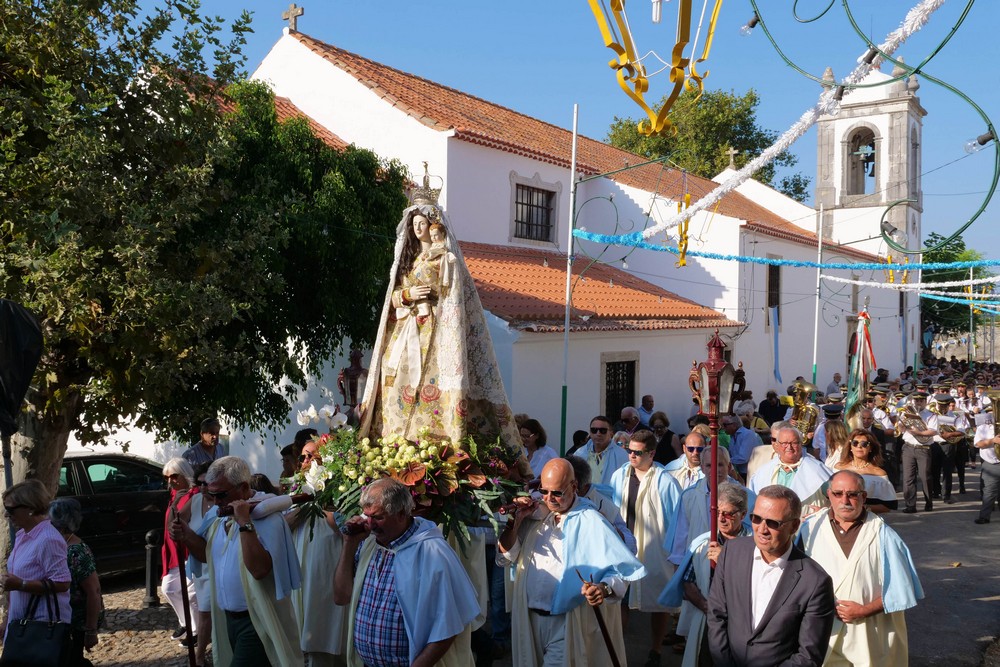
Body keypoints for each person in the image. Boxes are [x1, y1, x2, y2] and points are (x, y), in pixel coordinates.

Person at [358, 188, 522, 456]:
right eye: (414, 224)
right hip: (405, 329)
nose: (419, 228)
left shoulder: (446, 258)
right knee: (395, 383)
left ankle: (432, 444)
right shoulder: (406, 261)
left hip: (435, 330)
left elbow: (453, 296)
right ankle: (393, 442)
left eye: (423, 223)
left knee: (429, 384)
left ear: (437, 229)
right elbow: (393, 297)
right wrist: (406, 295)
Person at [499, 459, 645, 666]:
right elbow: (507, 555)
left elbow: (620, 569)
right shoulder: (534, 514)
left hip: (567, 623)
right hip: (529, 619)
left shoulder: (592, 520)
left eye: (557, 493)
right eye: (544, 491)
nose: (549, 499)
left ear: (574, 487)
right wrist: (515, 522)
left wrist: (602, 588)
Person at [170, 456, 303, 667]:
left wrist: (244, 523)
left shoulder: (269, 518)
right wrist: (185, 534)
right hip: (226, 620)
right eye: (211, 495)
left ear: (242, 488)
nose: (215, 502)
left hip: (257, 621)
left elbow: (259, 570)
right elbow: (207, 557)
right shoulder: (217, 515)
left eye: (221, 495)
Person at [334, 478, 480, 666]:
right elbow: (341, 597)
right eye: (366, 516)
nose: (370, 525)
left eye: (378, 517)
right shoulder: (367, 544)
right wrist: (349, 545)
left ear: (402, 513)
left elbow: (447, 627)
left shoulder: (432, 552)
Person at [798, 471, 923, 665]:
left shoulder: (884, 535)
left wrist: (865, 610)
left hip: (870, 632)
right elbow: (795, 581)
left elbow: (901, 590)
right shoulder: (809, 530)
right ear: (829, 495)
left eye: (852, 494)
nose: (845, 500)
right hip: (823, 632)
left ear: (863, 497)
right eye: (838, 493)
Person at [706, 485, 835, 666]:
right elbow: (716, 614)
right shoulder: (731, 552)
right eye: (756, 519)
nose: (762, 529)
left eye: (773, 523)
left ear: (794, 526)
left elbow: (808, 656)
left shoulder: (815, 582)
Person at [609, 430, 682, 666]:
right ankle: (617, 649)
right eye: (629, 450)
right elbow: (611, 507)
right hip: (623, 546)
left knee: (657, 602)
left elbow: (676, 520)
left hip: (654, 549)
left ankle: (656, 649)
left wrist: (674, 554)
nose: (631, 455)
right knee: (619, 598)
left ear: (651, 453)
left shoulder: (666, 481)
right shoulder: (619, 475)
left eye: (637, 452)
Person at [660, 482, 752, 667]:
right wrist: (706, 607)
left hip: (742, 623)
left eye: (728, 513)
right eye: (717, 512)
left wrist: (725, 560)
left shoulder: (754, 545)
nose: (721, 518)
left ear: (742, 515)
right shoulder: (703, 543)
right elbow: (688, 583)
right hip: (707, 619)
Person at [287, 436, 348, 666]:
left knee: (325, 631)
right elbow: (285, 525)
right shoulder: (298, 493)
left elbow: (344, 530)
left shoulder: (338, 493)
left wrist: (322, 498)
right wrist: (305, 504)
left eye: (310, 456)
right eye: (302, 456)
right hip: (302, 573)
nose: (304, 461)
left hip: (326, 573)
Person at [0, 480, 72, 639]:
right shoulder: (23, 535)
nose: (6, 514)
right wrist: (6, 622)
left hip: (41, 629)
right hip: (20, 626)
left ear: (31, 508)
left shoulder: (48, 539)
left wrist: (21, 584)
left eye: (10, 509)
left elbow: (62, 583)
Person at [668, 446, 754, 568]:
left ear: (729, 467)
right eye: (709, 466)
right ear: (702, 468)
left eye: (720, 465)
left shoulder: (748, 497)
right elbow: (681, 535)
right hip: (697, 563)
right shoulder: (689, 496)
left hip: (735, 564)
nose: (714, 470)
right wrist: (678, 565)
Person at [50, 498, 103, 667]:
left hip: (77, 623)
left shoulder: (76, 552)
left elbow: (93, 592)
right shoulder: (59, 545)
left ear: (62, 524)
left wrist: (90, 631)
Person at [161, 458, 201, 651]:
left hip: (188, 550)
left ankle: (196, 631)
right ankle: (186, 623)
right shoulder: (176, 495)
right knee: (168, 589)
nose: (170, 481)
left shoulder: (194, 495)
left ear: (184, 474)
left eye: (174, 476)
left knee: (191, 594)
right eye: (167, 477)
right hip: (173, 551)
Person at [749, 426, 831, 517]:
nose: (789, 447)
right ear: (776, 445)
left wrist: (824, 512)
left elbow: (838, 498)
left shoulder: (818, 470)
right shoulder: (764, 471)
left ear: (801, 444)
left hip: (808, 526)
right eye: (784, 443)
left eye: (794, 443)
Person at [179, 462, 214, 666]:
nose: (202, 488)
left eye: (206, 483)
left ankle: (200, 655)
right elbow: (178, 520)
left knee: (206, 612)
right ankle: (203, 654)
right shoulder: (195, 500)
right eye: (199, 483)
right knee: (204, 610)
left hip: (215, 564)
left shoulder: (222, 502)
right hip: (199, 566)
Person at [565, 455, 636, 553]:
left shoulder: (604, 504)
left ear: (575, 487)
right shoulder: (550, 500)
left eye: (563, 487)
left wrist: (609, 527)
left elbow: (631, 545)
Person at [834, 429, 897, 512]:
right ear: (850, 447)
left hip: (866, 519)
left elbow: (888, 506)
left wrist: (863, 508)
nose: (859, 446)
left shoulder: (878, 474)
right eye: (855, 443)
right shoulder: (839, 468)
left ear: (870, 448)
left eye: (864, 444)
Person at [898, 391, 938, 513]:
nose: (918, 403)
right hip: (908, 447)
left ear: (926, 402)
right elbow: (900, 429)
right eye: (916, 400)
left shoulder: (931, 415)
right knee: (908, 478)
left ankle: (929, 502)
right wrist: (902, 421)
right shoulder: (907, 413)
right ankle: (910, 505)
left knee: (925, 477)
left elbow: (933, 432)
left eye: (921, 401)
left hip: (923, 449)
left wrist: (918, 433)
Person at [576, 415, 629, 495]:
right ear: (590, 432)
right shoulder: (580, 453)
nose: (598, 434)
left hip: (610, 502)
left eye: (602, 430)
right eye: (594, 430)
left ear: (611, 433)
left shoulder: (622, 455)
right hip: (585, 502)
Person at [972, 407, 1000, 524]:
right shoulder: (983, 427)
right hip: (991, 464)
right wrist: (993, 441)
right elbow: (978, 444)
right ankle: (984, 517)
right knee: (989, 491)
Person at [720, 414, 761, 478]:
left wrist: (725, 461)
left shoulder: (747, 435)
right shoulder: (733, 436)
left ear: (734, 425)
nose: (722, 428)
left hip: (750, 474)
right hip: (741, 473)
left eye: (725, 425)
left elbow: (743, 458)